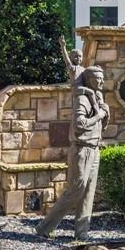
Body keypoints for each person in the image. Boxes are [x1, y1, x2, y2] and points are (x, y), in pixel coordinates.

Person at [36, 65, 109, 240]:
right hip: (82, 149)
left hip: (94, 148)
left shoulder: (98, 97)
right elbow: (79, 125)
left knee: (89, 191)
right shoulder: (82, 99)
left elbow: (102, 126)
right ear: (88, 80)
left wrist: (105, 114)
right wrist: (99, 115)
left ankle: (81, 232)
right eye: (96, 79)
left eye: (101, 78)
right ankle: (44, 227)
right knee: (76, 189)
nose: (100, 82)